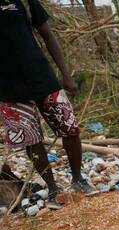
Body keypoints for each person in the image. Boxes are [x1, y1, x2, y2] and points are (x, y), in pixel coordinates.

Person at [0, 0, 96, 207]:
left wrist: (66, 74)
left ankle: (78, 179)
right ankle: (53, 188)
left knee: (69, 127)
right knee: (30, 139)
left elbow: (48, 34)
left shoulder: (25, 1)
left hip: (42, 76)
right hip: (8, 87)